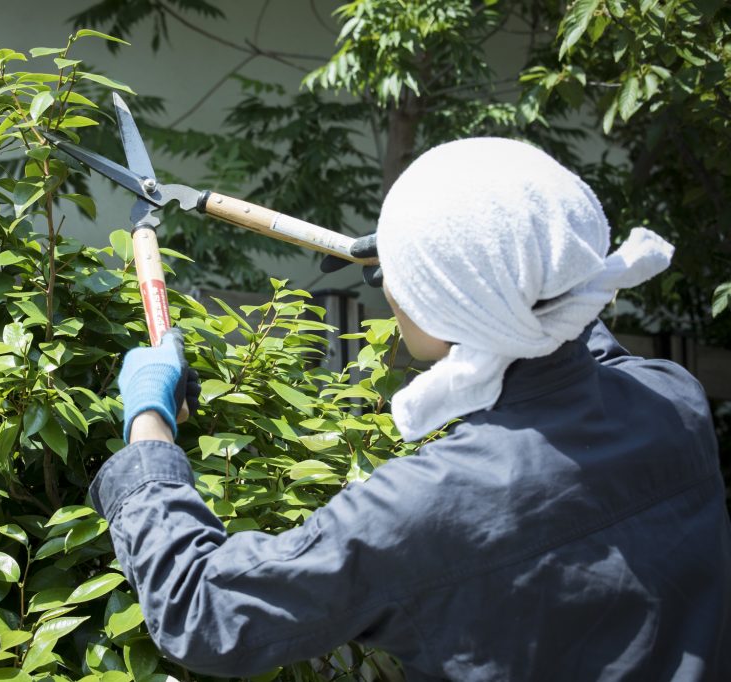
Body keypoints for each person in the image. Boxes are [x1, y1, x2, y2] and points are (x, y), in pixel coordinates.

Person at [88, 138, 731, 680]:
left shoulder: (427, 505)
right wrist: (444, 262)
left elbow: (202, 609)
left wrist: (150, 425)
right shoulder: (671, 399)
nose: (391, 288)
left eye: (404, 276)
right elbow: (562, 311)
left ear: (454, 303)